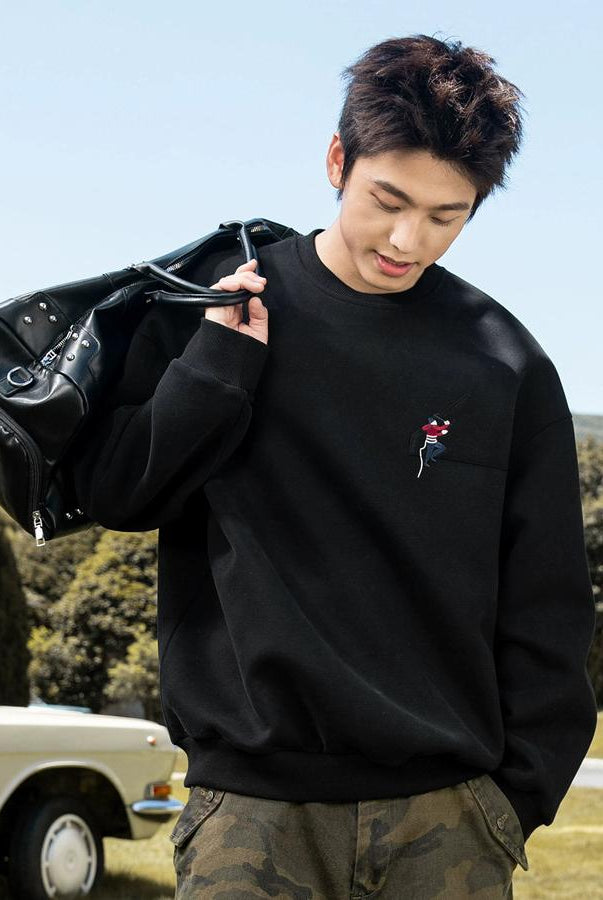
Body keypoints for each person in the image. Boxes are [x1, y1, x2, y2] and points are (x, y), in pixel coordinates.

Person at [71, 33, 597, 899]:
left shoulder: (505, 363)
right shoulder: (217, 307)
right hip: (249, 814)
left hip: (448, 823)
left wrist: (511, 803)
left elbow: (549, 603)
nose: (407, 240)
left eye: (446, 216)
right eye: (388, 200)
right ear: (335, 161)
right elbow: (119, 495)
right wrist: (214, 371)